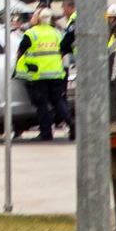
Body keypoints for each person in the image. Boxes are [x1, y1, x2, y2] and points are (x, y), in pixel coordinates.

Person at [15, 8, 70, 142]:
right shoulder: (56, 33)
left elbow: (20, 52)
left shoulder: (31, 33)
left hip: (38, 75)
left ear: (37, 18)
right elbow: (63, 49)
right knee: (58, 101)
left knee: (42, 104)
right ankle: (72, 124)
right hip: (56, 73)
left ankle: (46, 133)